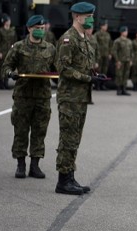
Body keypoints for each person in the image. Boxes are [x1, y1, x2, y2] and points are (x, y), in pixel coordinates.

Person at [55, 2, 106, 195]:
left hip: (81, 97)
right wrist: (87, 78)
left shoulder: (84, 39)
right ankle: (62, 181)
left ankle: (70, 176)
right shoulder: (69, 39)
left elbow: (84, 65)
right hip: (69, 98)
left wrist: (95, 75)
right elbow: (64, 69)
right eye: (88, 16)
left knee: (75, 138)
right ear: (77, 17)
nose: (92, 19)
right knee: (67, 138)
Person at [2, 15, 56, 179]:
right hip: (23, 96)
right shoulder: (18, 47)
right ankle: (20, 165)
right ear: (29, 29)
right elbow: (6, 66)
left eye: (42, 28)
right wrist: (11, 74)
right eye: (36, 29)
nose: (40, 31)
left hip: (42, 96)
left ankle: (35, 165)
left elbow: (57, 68)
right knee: (21, 131)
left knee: (40, 132)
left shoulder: (50, 48)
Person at [112, 26, 133, 96]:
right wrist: (117, 60)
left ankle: (124, 89)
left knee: (126, 75)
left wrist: (131, 60)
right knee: (119, 75)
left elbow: (131, 51)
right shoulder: (117, 41)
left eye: (126, 31)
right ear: (122, 32)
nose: (126, 33)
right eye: (125, 31)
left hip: (127, 61)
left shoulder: (129, 41)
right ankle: (118, 89)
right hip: (120, 61)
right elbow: (114, 51)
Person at [0, 14, 17, 90]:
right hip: (3, 52)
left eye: (9, 21)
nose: (8, 22)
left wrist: (14, 50)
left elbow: (15, 41)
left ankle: (6, 83)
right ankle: (1, 83)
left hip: (10, 52)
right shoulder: (0, 31)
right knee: (1, 68)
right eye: (7, 21)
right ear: (4, 22)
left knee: (8, 67)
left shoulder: (12, 31)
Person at [95, 20, 112, 90]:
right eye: (105, 26)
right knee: (99, 70)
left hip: (106, 55)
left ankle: (103, 85)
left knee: (104, 70)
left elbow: (110, 45)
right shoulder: (97, 34)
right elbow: (95, 45)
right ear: (101, 26)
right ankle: (97, 85)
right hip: (100, 55)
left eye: (106, 26)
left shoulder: (108, 35)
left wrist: (110, 53)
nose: (106, 27)